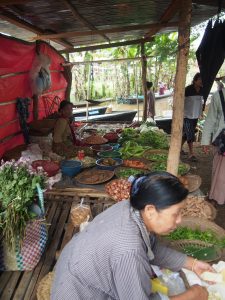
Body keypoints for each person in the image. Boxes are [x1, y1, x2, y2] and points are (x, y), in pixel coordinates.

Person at [51, 172, 211, 300]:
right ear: (150, 210)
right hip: (79, 292)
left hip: (74, 271)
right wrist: (191, 296)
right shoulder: (129, 249)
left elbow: (151, 245)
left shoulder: (129, 208)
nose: (179, 220)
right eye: (175, 213)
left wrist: (191, 263)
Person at [201, 84, 225, 205]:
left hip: (221, 140)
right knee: (219, 172)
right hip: (221, 141)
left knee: (220, 172)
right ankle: (216, 196)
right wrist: (205, 142)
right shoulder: (218, 96)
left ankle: (216, 197)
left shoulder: (218, 95)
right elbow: (210, 120)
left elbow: (210, 120)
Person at [181, 73, 203, 162]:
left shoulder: (202, 90)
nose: (201, 81)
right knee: (190, 134)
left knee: (187, 134)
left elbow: (201, 103)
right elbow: (180, 100)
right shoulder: (188, 89)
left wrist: (201, 113)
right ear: (195, 80)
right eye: (200, 80)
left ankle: (179, 148)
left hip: (195, 116)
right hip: (187, 116)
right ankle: (191, 154)